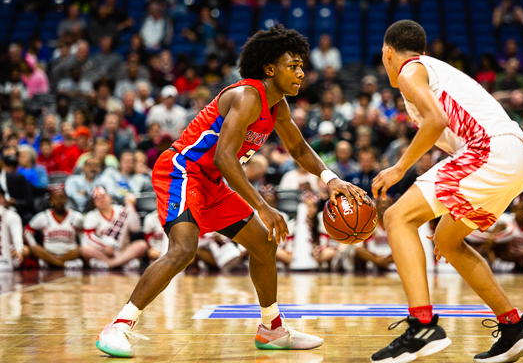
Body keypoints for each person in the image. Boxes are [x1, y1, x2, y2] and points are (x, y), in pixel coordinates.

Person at [95, 24, 365, 358]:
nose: (300, 72)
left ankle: (272, 328)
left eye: (301, 65)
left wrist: (330, 178)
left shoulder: (276, 106)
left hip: (212, 180)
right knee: (183, 249)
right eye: (292, 65)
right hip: (182, 170)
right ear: (270, 68)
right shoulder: (247, 96)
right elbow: (224, 157)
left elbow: (297, 147)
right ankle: (119, 326)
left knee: (263, 244)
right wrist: (263, 206)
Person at [370, 20, 523, 363]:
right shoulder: (435, 70)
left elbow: (436, 121)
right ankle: (513, 328)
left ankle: (422, 326)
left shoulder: (409, 70)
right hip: (516, 157)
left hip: (489, 150)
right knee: (447, 240)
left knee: (396, 218)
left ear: (388, 52)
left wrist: (400, 167)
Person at [81, 187, 147, 271]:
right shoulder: (92, 215)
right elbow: (88, 237)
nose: (101, 200)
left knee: (142, 245)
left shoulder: (122, 210)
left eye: (103, 196)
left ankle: (110, 264)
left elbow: (135, 228)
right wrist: (104, 246)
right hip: (103, 252)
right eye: (97, 199)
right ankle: (121, 263)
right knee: (85, 249)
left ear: (110, 197)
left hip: (123, 251)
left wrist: (131, 206)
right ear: (94, 203)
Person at [24, 184, 84, 269]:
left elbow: (84, 236)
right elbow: (27, 232)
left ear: (66, 198)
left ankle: (54, 264)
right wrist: (33, 243)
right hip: (48, 254)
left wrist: (82, 245)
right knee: (34, 248)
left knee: (82, 248)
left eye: (61, 197)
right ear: (50, 200)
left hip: (70, 255)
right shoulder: (43, 216)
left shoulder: (77, 217)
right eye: (56, 198)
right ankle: (61, 265)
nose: (59, 200)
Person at [0, 187, 27, 271]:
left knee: (25, 250)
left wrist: (18, 250)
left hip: (8, 253)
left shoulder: (12, 216)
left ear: (3, 199)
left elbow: (17, 236)